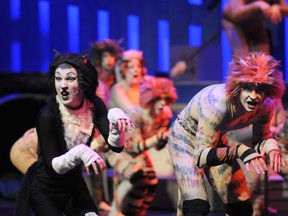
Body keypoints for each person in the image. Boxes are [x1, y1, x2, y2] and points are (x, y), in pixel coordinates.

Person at [14, 51, 134, 216]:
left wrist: (117, 125)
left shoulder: (94, 104)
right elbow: (53, 167)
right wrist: (80, 152)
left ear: (84, 82)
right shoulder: (47, 114)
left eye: (70, 78)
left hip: (73, 186)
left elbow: (117, 146)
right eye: (58, 78)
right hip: (45, 189)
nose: (63, 85)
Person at [168, 51, 285, 216]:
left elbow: (262, 138)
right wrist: (240, 151)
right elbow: (200, 157)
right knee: (196, 207)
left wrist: (272, 148)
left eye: (259, 90)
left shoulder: (266, 105)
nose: (254, 96)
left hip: (214, 139)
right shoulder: (218, 104)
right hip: (186, 138)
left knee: (241, 207)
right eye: (248, 89)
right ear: (237, 88)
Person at [105, 77, 178, 216]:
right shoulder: (136, 115)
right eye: (159, 99)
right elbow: (133, 147)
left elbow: (157, 147)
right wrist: (158, 138)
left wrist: (163, 139)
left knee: (151, 182)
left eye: (166, 99)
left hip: (138, 153)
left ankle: (136, 212)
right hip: (119, 150)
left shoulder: (163, 116)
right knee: (136, 176)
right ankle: (114, 211)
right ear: (150, 99)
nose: (163, 104)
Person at [222, 0, 288, 55]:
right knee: (242, 57)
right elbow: (236, 12)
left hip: (255, 22)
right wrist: (258, 4)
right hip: (234, 21)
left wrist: (277, 7)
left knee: (263, 57)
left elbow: (285, 9)